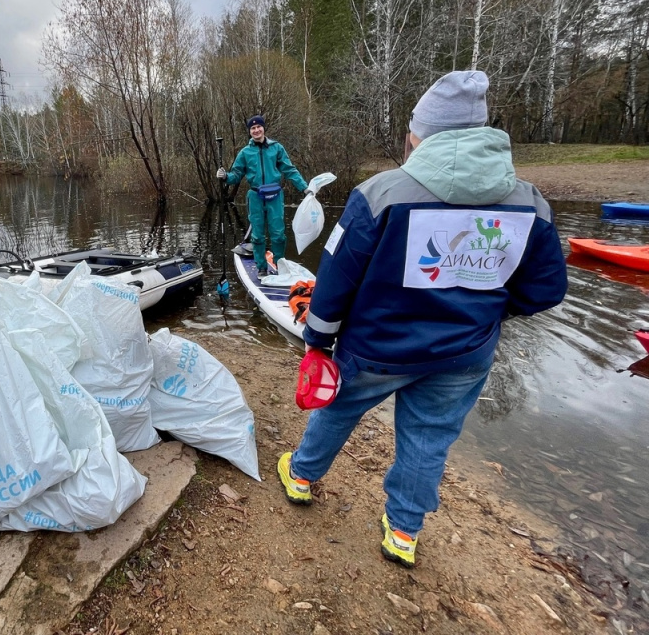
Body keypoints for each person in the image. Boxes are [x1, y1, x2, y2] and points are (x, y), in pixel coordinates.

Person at [277, 70, 567, 568]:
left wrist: (318, 340)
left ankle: (301, 477)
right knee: (429, 437)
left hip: (376, 347)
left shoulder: (381, 193)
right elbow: (545, 291)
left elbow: (336, 279)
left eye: (412, 129)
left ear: (421, 134)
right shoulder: (529, 202)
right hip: (463, 355)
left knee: (339, 409)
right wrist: (489, 311)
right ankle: (404, 532)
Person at [217, 115, 309, 276]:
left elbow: (289, 169)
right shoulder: (245, 152)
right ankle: (261, 267)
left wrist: (304, 188)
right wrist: (225, 176)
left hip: (275, 196)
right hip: (255, 197)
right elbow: (236, 174)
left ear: (263, 128)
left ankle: (280, 265)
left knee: (278, 234)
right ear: (249, 132)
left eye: (259, 127)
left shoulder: (276, 148)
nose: (256, 130)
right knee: (258, 236)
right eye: (253, 128)